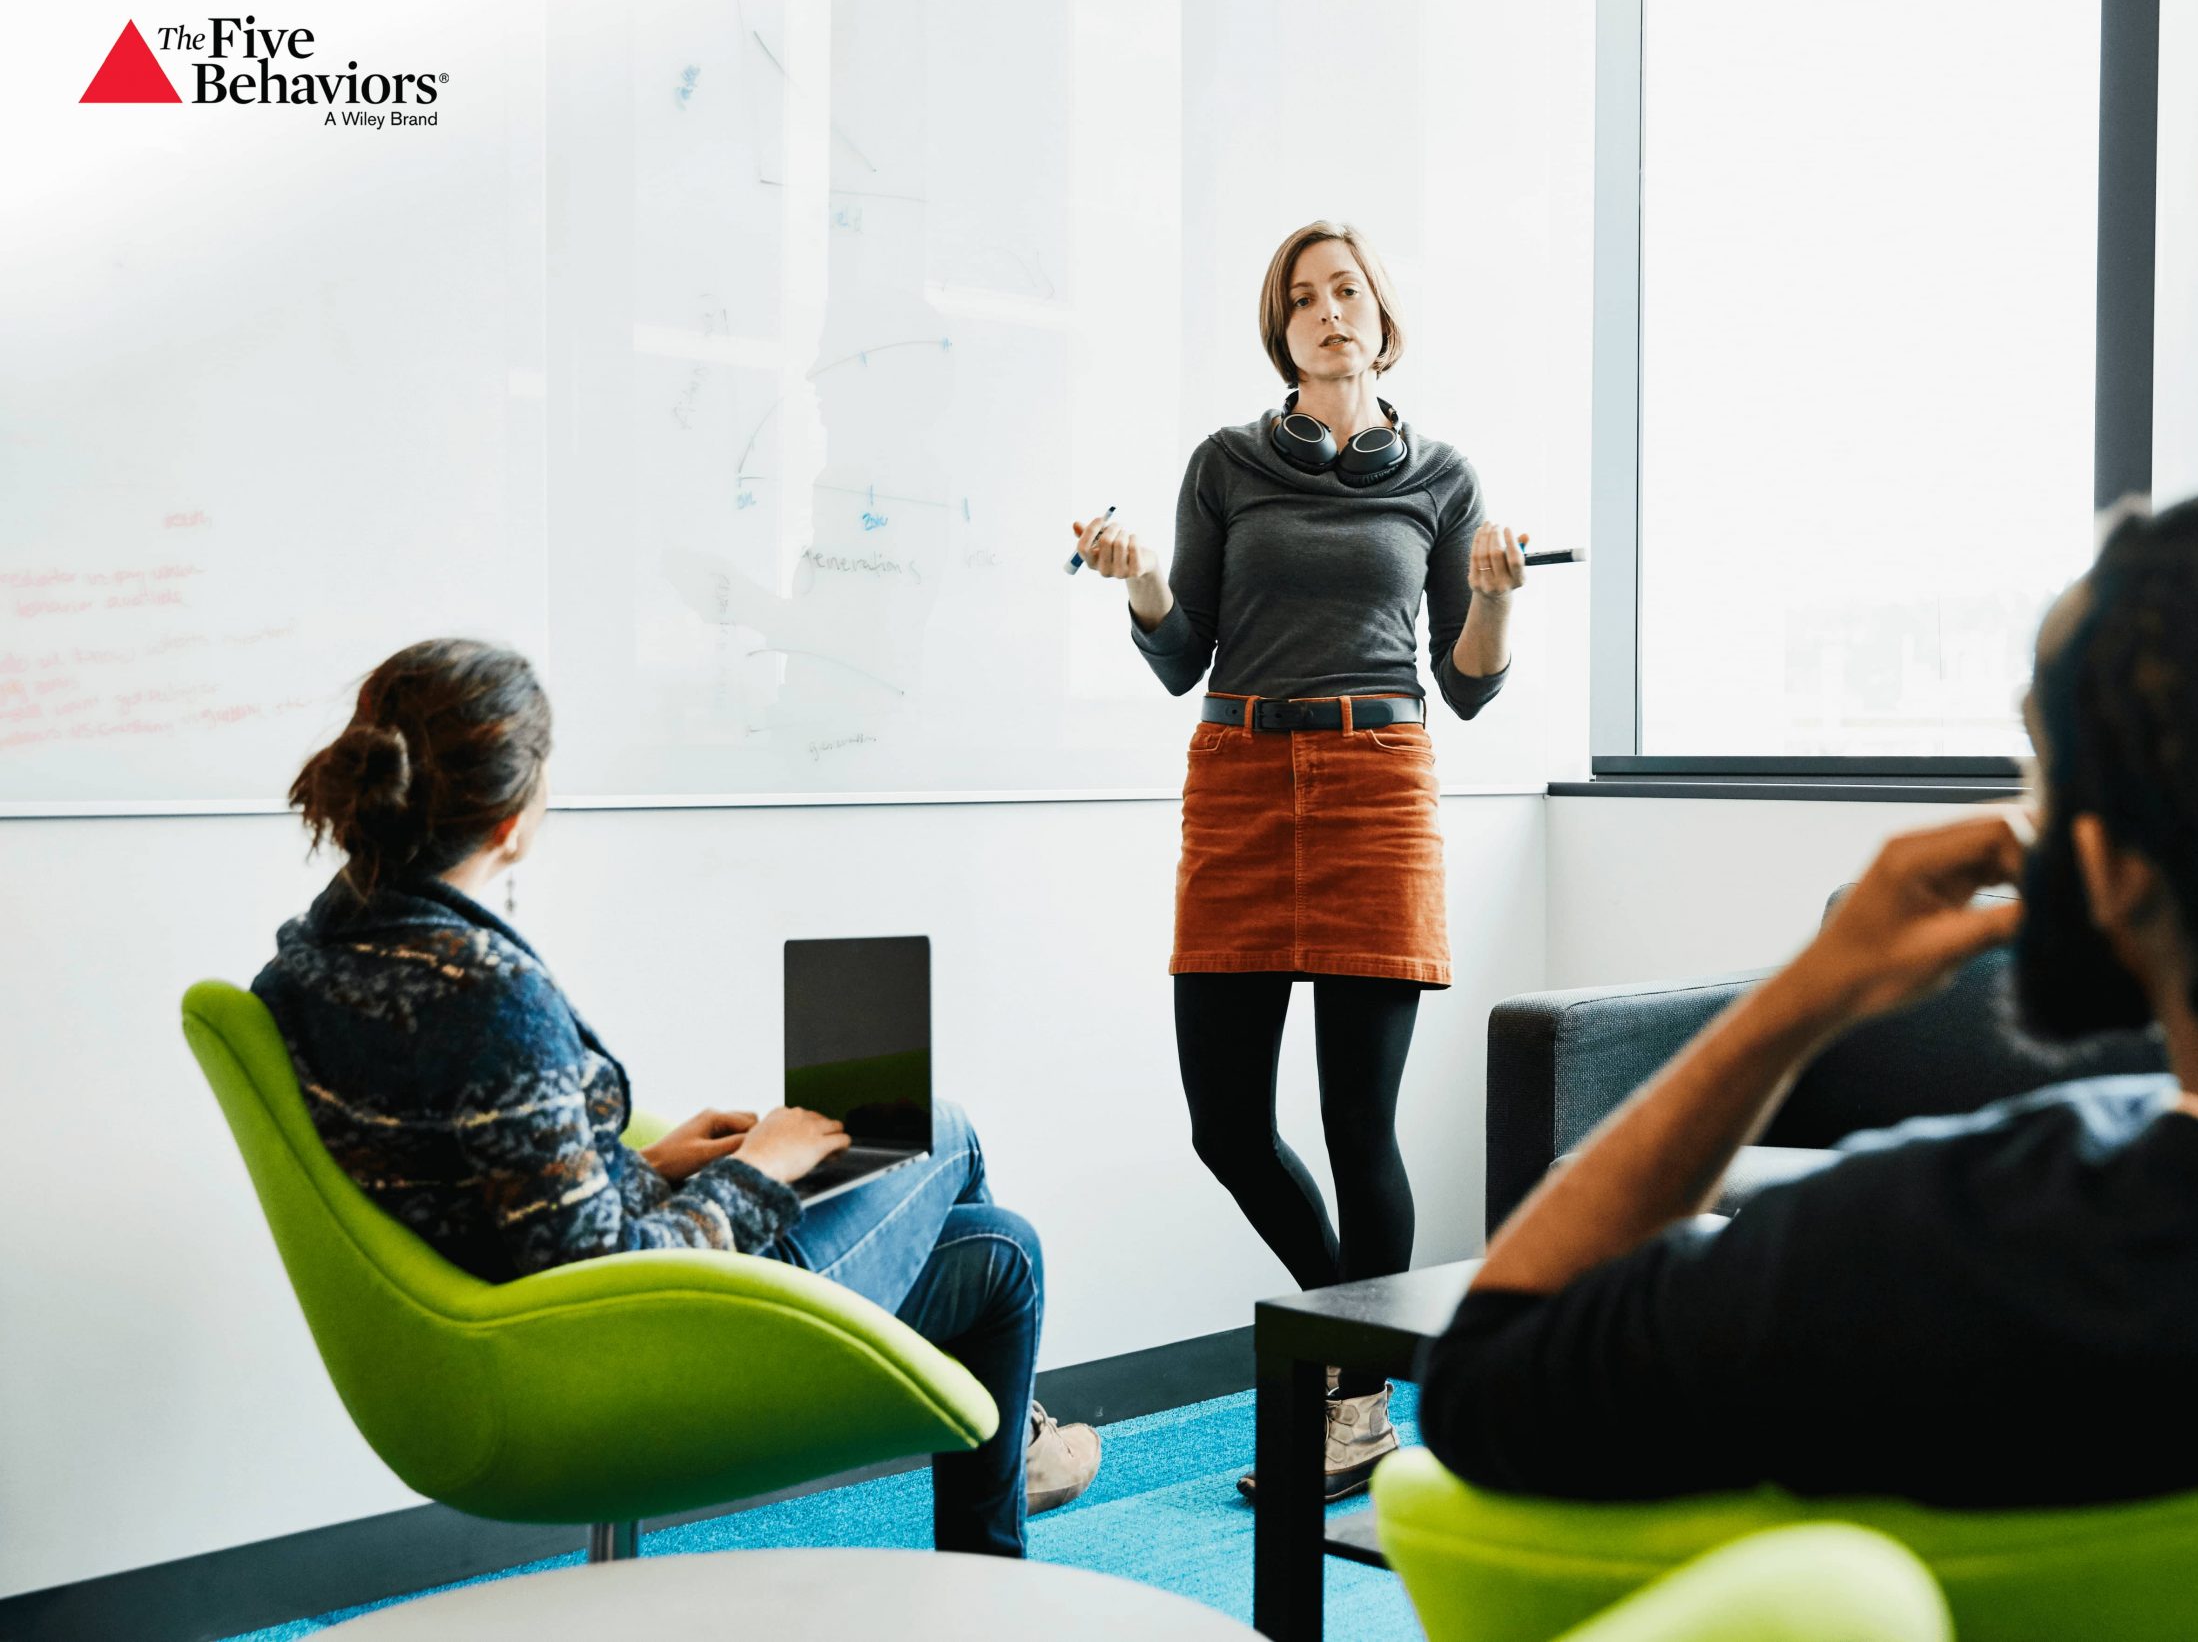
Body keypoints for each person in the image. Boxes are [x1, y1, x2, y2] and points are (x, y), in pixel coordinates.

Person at [1423, 489, 2198, 1508]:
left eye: (2040, 771)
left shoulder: (1936, 1251)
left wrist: (1802, 996)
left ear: (2114, 869)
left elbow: (1487, 1377)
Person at [251, 639, 1100, 1555]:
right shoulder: (487, 990)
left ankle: (1002, 1530)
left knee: (1006, 1251)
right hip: (639, 1344)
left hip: (517, 1326)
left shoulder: (308, 964)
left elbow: (481, 1183)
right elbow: (602, 1270)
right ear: (512, 820)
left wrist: (650, 1160)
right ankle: (1012, 1483)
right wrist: (759, 1170)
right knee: (943, 1127)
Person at [1069, 219, 1527, 1498]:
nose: (1328, 312)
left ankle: (1355, 1405)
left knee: (1354, 1123)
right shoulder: (1225, 464)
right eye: (1302, 298)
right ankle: (1360, 1354)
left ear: (1383, 316)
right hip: (1240, 781)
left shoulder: (1440, 476)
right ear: (1280, 332)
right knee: (1226, 1125)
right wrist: (1142, 581)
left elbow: (1470, 686)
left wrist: (1492, 595)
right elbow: (1181, 653)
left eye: (1347, 291)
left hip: (1379, 785)